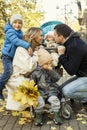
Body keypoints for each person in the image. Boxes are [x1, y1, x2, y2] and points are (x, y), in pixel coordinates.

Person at [5, 27, 43, 111]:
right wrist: (36, 54)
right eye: (40, 35)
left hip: (27, 76)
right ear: (33, 36)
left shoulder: (34, 47)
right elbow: (29, 67)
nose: (42, 37)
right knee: (27, 97)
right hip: (17, 79)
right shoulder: (21, 49)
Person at [0, 14, 32, 100]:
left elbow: (24, 39)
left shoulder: (20, 32)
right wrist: (28, 45)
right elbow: (16, 41)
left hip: (13, 56)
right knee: (8, 72)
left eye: (19, 23)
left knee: (13, 73)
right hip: (7, 56)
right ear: (11, 23)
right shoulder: (10, 31)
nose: (17, 25)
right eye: (15, 22)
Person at [54, 23, 87, 102]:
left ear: (61, 37)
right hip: (82, 76)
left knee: (67, 91)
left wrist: (61, 55)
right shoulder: (72, 42)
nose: (53, 37)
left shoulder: (74, 46)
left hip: (85, 77)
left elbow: (71, 71)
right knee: (60, 89)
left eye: (55, 35)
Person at [31, 48, 62, 126]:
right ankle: (38, 117)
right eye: (46, 64)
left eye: (50, 63)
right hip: (40, 91)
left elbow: (57, 78)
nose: (49, 65)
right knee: (39, 102)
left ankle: (56, 116)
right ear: (41, 64)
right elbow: (32, 83)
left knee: (54, 100)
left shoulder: (51, 70)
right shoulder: (36, 73)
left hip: (51, 90)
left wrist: (51, 70)